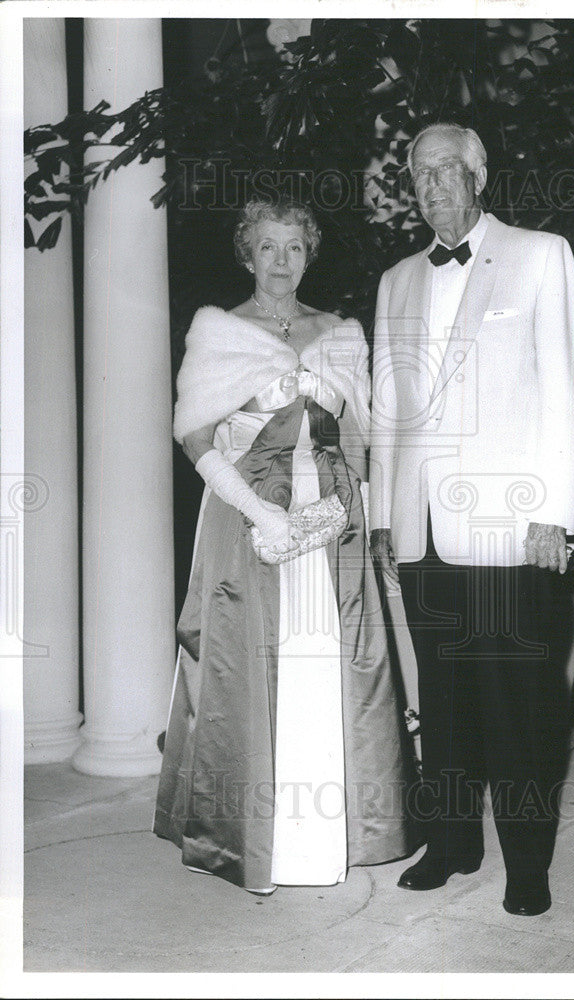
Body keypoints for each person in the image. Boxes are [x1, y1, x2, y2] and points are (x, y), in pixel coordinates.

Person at [154, 197, 416, 895]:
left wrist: (371, 517)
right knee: (248, 667)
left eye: (293, 248)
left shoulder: (338, 334)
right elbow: (193, 437)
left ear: (309, 255)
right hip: (246, 519)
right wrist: (257, 514)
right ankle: (254, 838)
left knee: (329, 664)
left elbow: (361, 440)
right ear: (246, 253)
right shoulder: (219, 331)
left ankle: (329, 837)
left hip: (331, 518)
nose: (280, 261)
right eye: (267, 247)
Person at [369, 122, 574, 916]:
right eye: (419, 175)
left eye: (445, 172)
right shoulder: (396, 279)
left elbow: (567, 390)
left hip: (510, 527)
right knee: (445, 700)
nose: (432, 187)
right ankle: (453, 842)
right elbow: (388, 413)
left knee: (519, 707)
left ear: (478, 175)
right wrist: (383, 516)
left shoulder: (539, 255)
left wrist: (554, 515)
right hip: (422, 529)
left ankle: (527, 863)